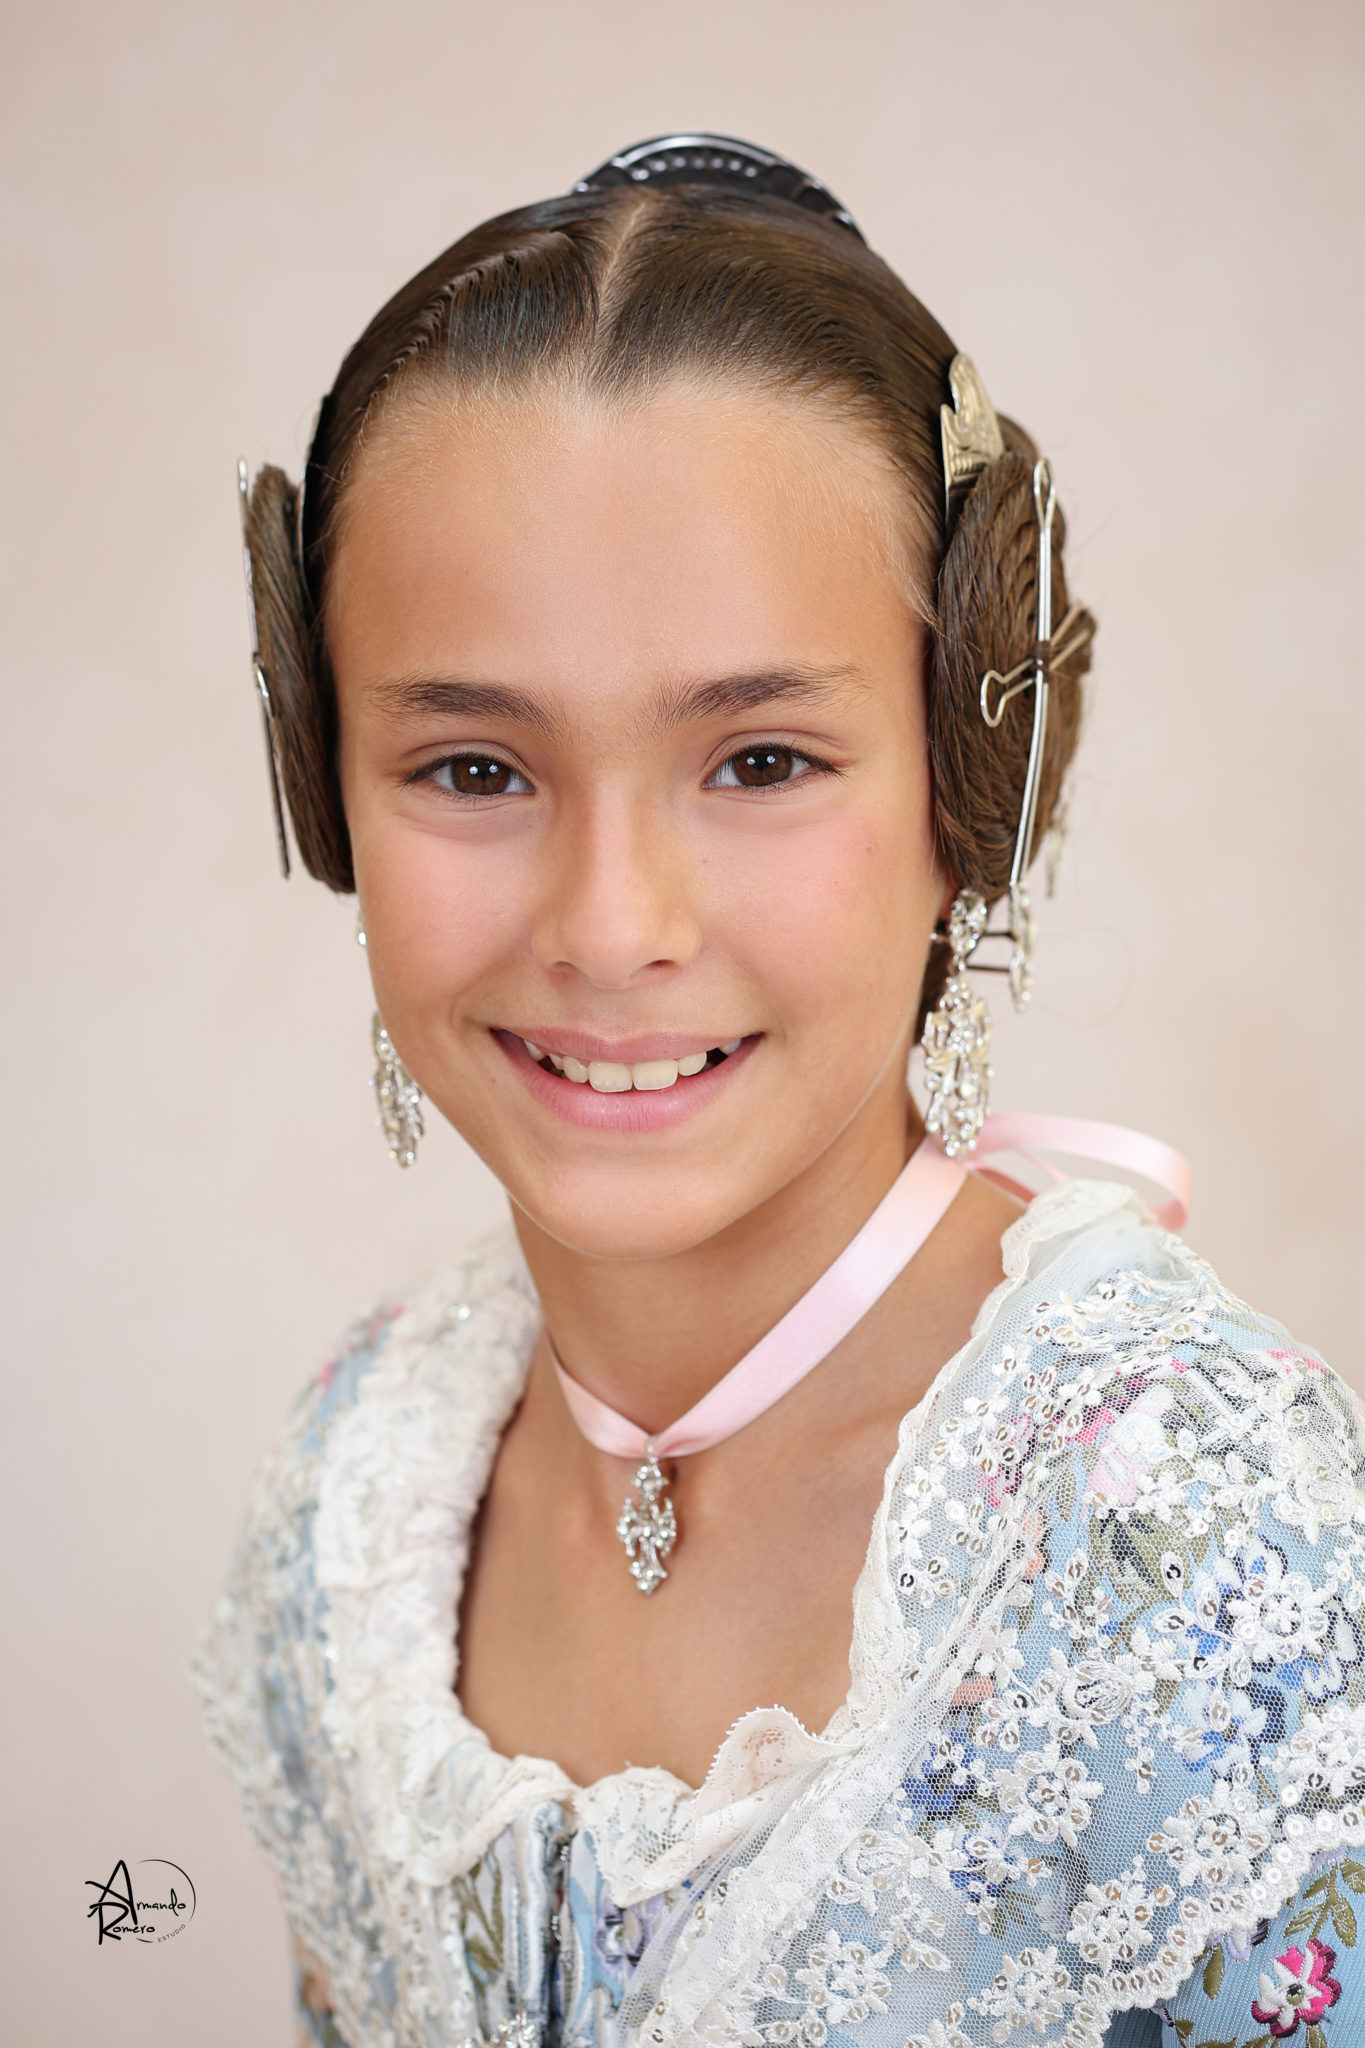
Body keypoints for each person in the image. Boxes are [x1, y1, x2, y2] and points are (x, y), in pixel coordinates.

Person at [193, 136, 1365, 2048]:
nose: (611, 927)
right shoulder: (357, 1493)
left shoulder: (1188, 1535)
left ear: (968, 795)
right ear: (327, 796)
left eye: (759, 761)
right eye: (476, 770)